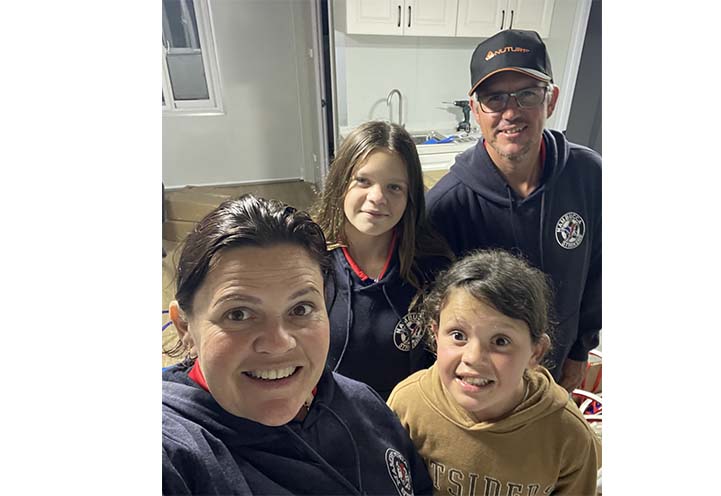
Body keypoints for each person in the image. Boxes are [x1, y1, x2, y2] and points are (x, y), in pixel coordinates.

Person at [162, 194, 433, 495]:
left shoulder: (363, 405)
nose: (279, 343)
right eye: (238, 314)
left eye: (301, 309)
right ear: (184, 326)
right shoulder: (173, 453)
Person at [425, 29, 601, 392]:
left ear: (551, 100)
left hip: (557, 372)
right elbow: (436, 314)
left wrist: (581, 349)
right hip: (480, 382)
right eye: (494, 98)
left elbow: (599, 270)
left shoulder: (590, 176)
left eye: (527, 95)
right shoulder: (446, 207)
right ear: (475, 110)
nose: (510, 112)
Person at [388, 249, 601, 496]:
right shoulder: (408, 405)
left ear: (536, 352)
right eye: (458, 335)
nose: (473, 358)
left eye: (500, 341)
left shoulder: (568, 435)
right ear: (435, 336)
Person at [312, 121, 453, 399]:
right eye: (363, 181)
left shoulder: (432, 266)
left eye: (394, 187)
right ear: (341, 183)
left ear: (411, 196)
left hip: (405, 415)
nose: (377, 197)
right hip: (327, 414)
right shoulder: (311, 261)